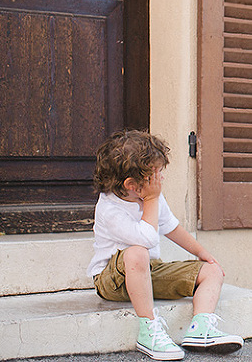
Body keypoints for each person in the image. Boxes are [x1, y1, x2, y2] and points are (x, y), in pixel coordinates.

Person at [86, 130, 243, 360]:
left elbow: (171, 228)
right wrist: (150, 199)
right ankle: (148, 330)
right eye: (156, 173)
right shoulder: (109, 209)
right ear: (132, 184)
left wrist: (203, 254)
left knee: (212, 271)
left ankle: (200, 329)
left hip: (147, 273)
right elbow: (147, 239)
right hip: (112, 281)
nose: (161, 178)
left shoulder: (152, 197)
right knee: (137, 252)